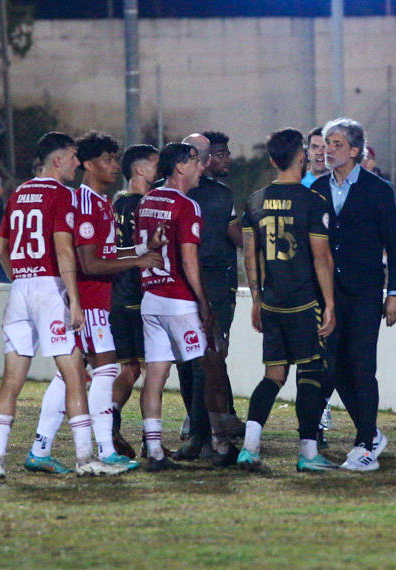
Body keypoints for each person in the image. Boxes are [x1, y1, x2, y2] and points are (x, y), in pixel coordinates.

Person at [0, 131, 126, 478]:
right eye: (73, 157)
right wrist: (73, 299)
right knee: (75, 375)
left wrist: (19, 277)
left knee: (11, 381)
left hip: (20, 290)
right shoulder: (62, 195)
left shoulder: (17, 193)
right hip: (49, 290)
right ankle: (84, 459)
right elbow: (64, 249)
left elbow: (1, 249)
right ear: (58, 160)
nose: (77, 163)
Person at [23, 132, 164, 474]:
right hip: (86, 302)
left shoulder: (102, 202)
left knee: (70, 376)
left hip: (95, 301)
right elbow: (89, 264)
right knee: (105, 369)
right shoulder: (85, 203)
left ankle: (40, 450)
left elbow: (106, 253)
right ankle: (103, 449)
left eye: (115, 159)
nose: (115, 166)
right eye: (108, 159)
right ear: (87, 164)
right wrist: (137, 262)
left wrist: (142, 250)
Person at [236, 128, 337, 472]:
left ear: (271, 159)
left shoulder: (254, 200)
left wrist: (256, 300)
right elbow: (321, 258)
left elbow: (251, 257)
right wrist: (330, 304)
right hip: (304, 302)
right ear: (301, 156)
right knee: (310, 373)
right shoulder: (312, 201)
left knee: (273, 376)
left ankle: (249, 448)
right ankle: (309, 454)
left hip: (272, 302)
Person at [312, 117, 396, 471]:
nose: (327, 150)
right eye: (325, 144)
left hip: (365, 291)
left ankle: (365, 442)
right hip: (327, 294)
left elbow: (395, 247)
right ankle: (369, 432)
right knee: (331, 367)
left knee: (362, 366)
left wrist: (393, 292)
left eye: (335, 144)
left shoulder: (378, 189)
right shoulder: (317, 189)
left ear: (354, 150)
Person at [135, 142, 214, 471]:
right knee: (206, 369)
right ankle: (213, 441)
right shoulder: (187, 205)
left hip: (150, 298)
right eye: (195, 161)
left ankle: (153, 448)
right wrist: (203, 302)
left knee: (155, 375)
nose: (201, 168)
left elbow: (142, 250)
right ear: (179, 167)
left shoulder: (146, 200)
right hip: (178, 301)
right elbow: (189, 259)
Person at [173, 132, 244, 464]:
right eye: (220, 153)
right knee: (207, 362)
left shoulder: (169, 192)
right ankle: (209, 434)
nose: (226, 158)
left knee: (189, 363)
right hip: (213, 288)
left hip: (178, 288)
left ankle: (202, 429)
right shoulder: (218, 196)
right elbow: (235, 236)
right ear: (202, 159)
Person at [109, 144, 161, 459]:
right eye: (156, 164)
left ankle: (111, 422)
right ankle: (150, 441)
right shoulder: (146, 205)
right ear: (140, 170)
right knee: (152, 370)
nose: (162, 168)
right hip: (140, 295)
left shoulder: (113, 203)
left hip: (116, 293)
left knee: (129, 369)